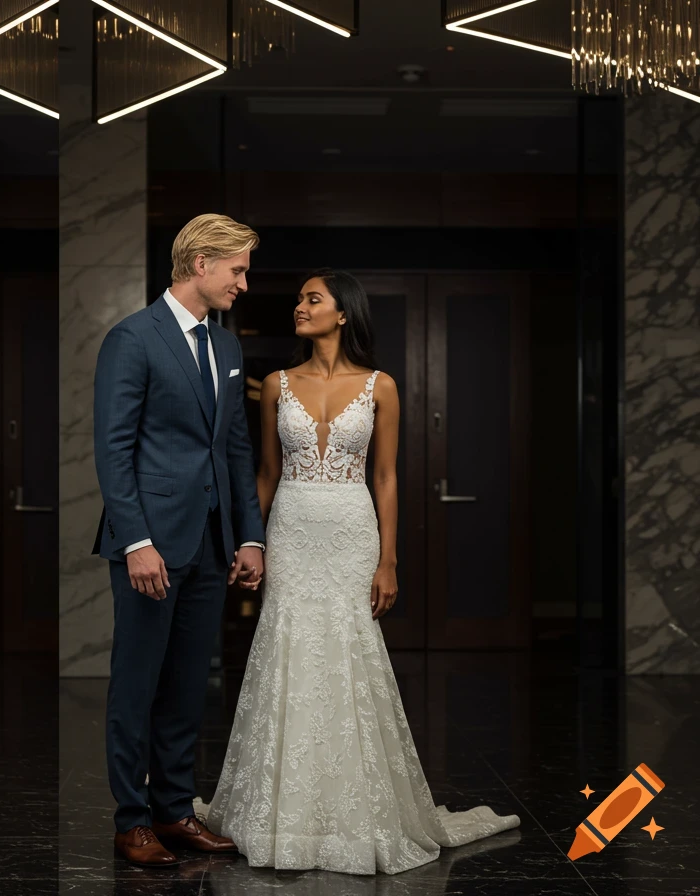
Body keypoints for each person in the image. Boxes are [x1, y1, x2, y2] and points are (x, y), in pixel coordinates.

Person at [205, 270, 519, 874]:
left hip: (351, 531)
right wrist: (250, 543)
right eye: (298, 298)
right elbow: (266, 473)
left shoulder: (383, 387)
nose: (299, 307)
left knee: (349, 654)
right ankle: (279, 809)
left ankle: (353, 811)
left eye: (312, 299)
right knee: (288, 649)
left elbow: (386, 477)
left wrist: (388, 558)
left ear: (343, 313)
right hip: (292, 529)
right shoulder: (275, 384)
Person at [91, 214, 266, 867]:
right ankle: (131, 819)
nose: (243, 283)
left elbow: (235, 449)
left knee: (190, 685)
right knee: (137, 684)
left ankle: (174, 811)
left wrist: (249, 537)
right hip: (150, 546)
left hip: (211, 543)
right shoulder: (132, 338)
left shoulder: (226, 348)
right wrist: (136, 540)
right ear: (201, 263)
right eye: (238, 269)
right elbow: (113, 449)